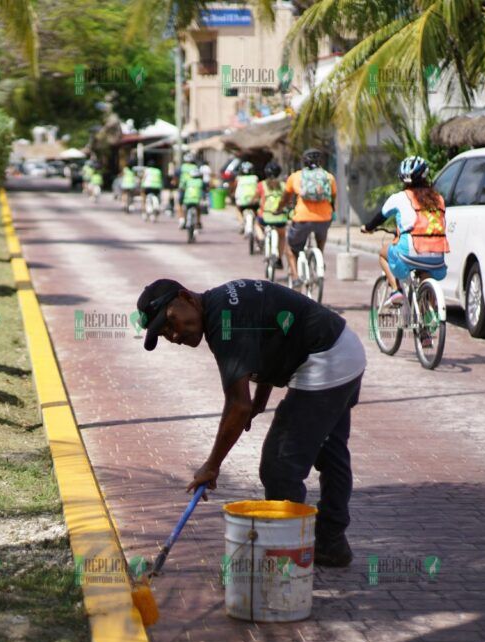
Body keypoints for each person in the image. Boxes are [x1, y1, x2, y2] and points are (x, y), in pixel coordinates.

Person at [136, 278, 366, 567]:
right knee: (331, 452)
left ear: (186, 298)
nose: (173, 335)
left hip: (325, 359)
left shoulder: (224, 322)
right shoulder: (223, 304)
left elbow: (237, 405)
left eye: (170, 322)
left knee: (279, 466)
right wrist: (260, 400)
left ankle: (291, 560)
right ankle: (331, 544)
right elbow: (268, 344)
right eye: (164, 333)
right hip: (343, 346)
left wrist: (211, 465)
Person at [361, 155, 449, 305]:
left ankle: (396, 291)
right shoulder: (438, 198)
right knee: (424, 270)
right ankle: (429, 310)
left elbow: (380, 218)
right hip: (437, 257)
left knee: (383, 253)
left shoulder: (400, 197)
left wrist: (367, 228)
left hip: (410, 252)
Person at [282, 149, 336, 287]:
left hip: (302, 218)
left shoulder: (296, 176)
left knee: (290, 248)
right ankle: (320, 260)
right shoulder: (328, 176)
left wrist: (279, 208)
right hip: (324, 217)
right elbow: (333, 196)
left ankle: (295, 278)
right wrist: (332, 211)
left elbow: (286, 197)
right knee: (321, 236)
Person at [257, 161, 289, 264]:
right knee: (282, 234)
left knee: (257, 224)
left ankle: (261, 238)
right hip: (280, 217)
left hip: (266, 217)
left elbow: (256, 197)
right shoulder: (284, 185)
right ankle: (279, 258)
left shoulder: (261, 185)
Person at [233, 161, 260, 235]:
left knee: (237, 210)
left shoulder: (239, 178)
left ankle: (241, 223)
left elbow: (235, 188)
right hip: (254, 200)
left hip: (242, 201)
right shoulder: (255, 178)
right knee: (257, 211)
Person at [175, 152, 200, 221]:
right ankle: (198, 221)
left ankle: (181, 219)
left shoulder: (182, 167)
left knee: (180, 203)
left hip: (183, 187)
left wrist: (177, 184)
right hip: (194, 187)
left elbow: (176, 176)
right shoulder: (195, 167)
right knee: (197, 204)